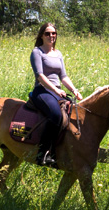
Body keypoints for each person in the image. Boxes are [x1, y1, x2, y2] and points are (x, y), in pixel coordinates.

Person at [29, 22, 82, 167]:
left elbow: (63, 76)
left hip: (57, 91)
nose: (51, 36)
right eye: (47, 33)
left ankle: (61, 150)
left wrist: (74, 90)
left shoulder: (58, 54)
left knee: (72, 113)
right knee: (56, 115)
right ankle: (42, 153)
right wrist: (56, 90)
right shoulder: (37, 52)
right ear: (41, 35)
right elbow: (40, 76)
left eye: (53, 33)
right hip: (42, 91)